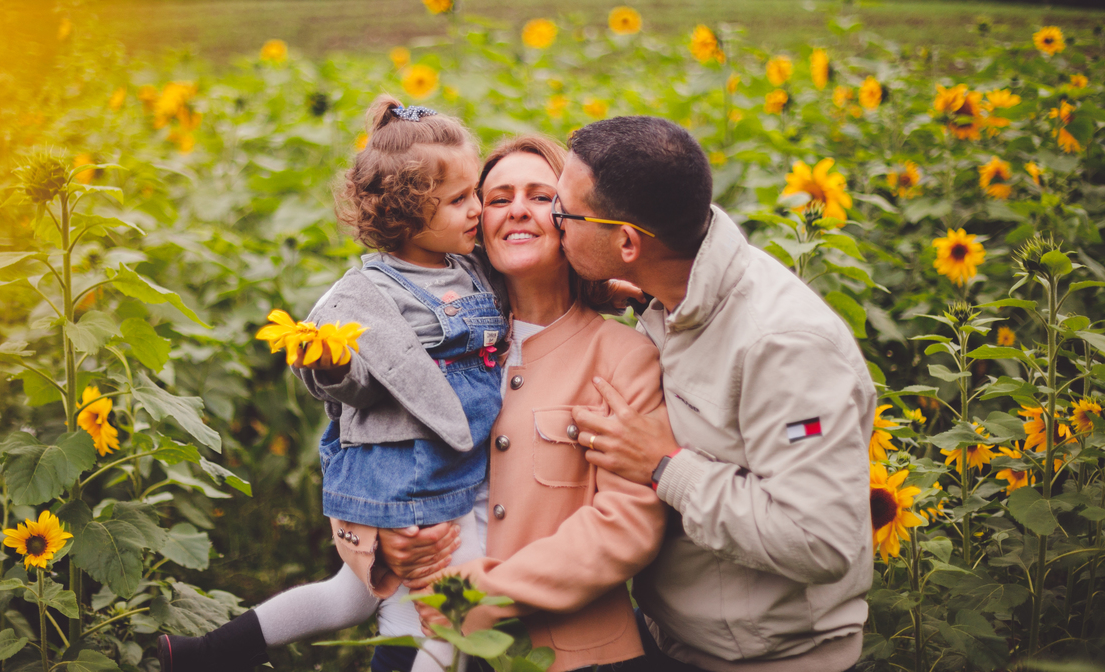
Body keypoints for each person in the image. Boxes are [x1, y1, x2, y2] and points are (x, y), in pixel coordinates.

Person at [160, 95, 508, 672]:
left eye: (475, 193)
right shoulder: (367, 296)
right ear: (406, 213)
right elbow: (356, 383)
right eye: (458, 200)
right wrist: (329, 363)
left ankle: (207, 652)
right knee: (450, 607)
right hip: (415, 469)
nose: (476, 209)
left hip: (452, 463)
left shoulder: (466, 268)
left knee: (349, 596)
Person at [555, 116, 876, 672]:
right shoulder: (673, 289)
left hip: (769, 659)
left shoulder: (784, 348)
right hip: (675, 636)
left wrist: (665, 465)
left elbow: (822, 540)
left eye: (562, 211)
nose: (550, 221)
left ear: (627, 241)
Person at [379, 136, 666, 672]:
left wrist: (484, 594)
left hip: (575, 654)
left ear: (570, 218)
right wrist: (383, 540)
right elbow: (368, 449)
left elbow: (627, 525)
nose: (517, 210)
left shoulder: (623, 356)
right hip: (420, 635)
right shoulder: (436, 345)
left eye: (539, 195)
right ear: (475, 222)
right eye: (498, 197)